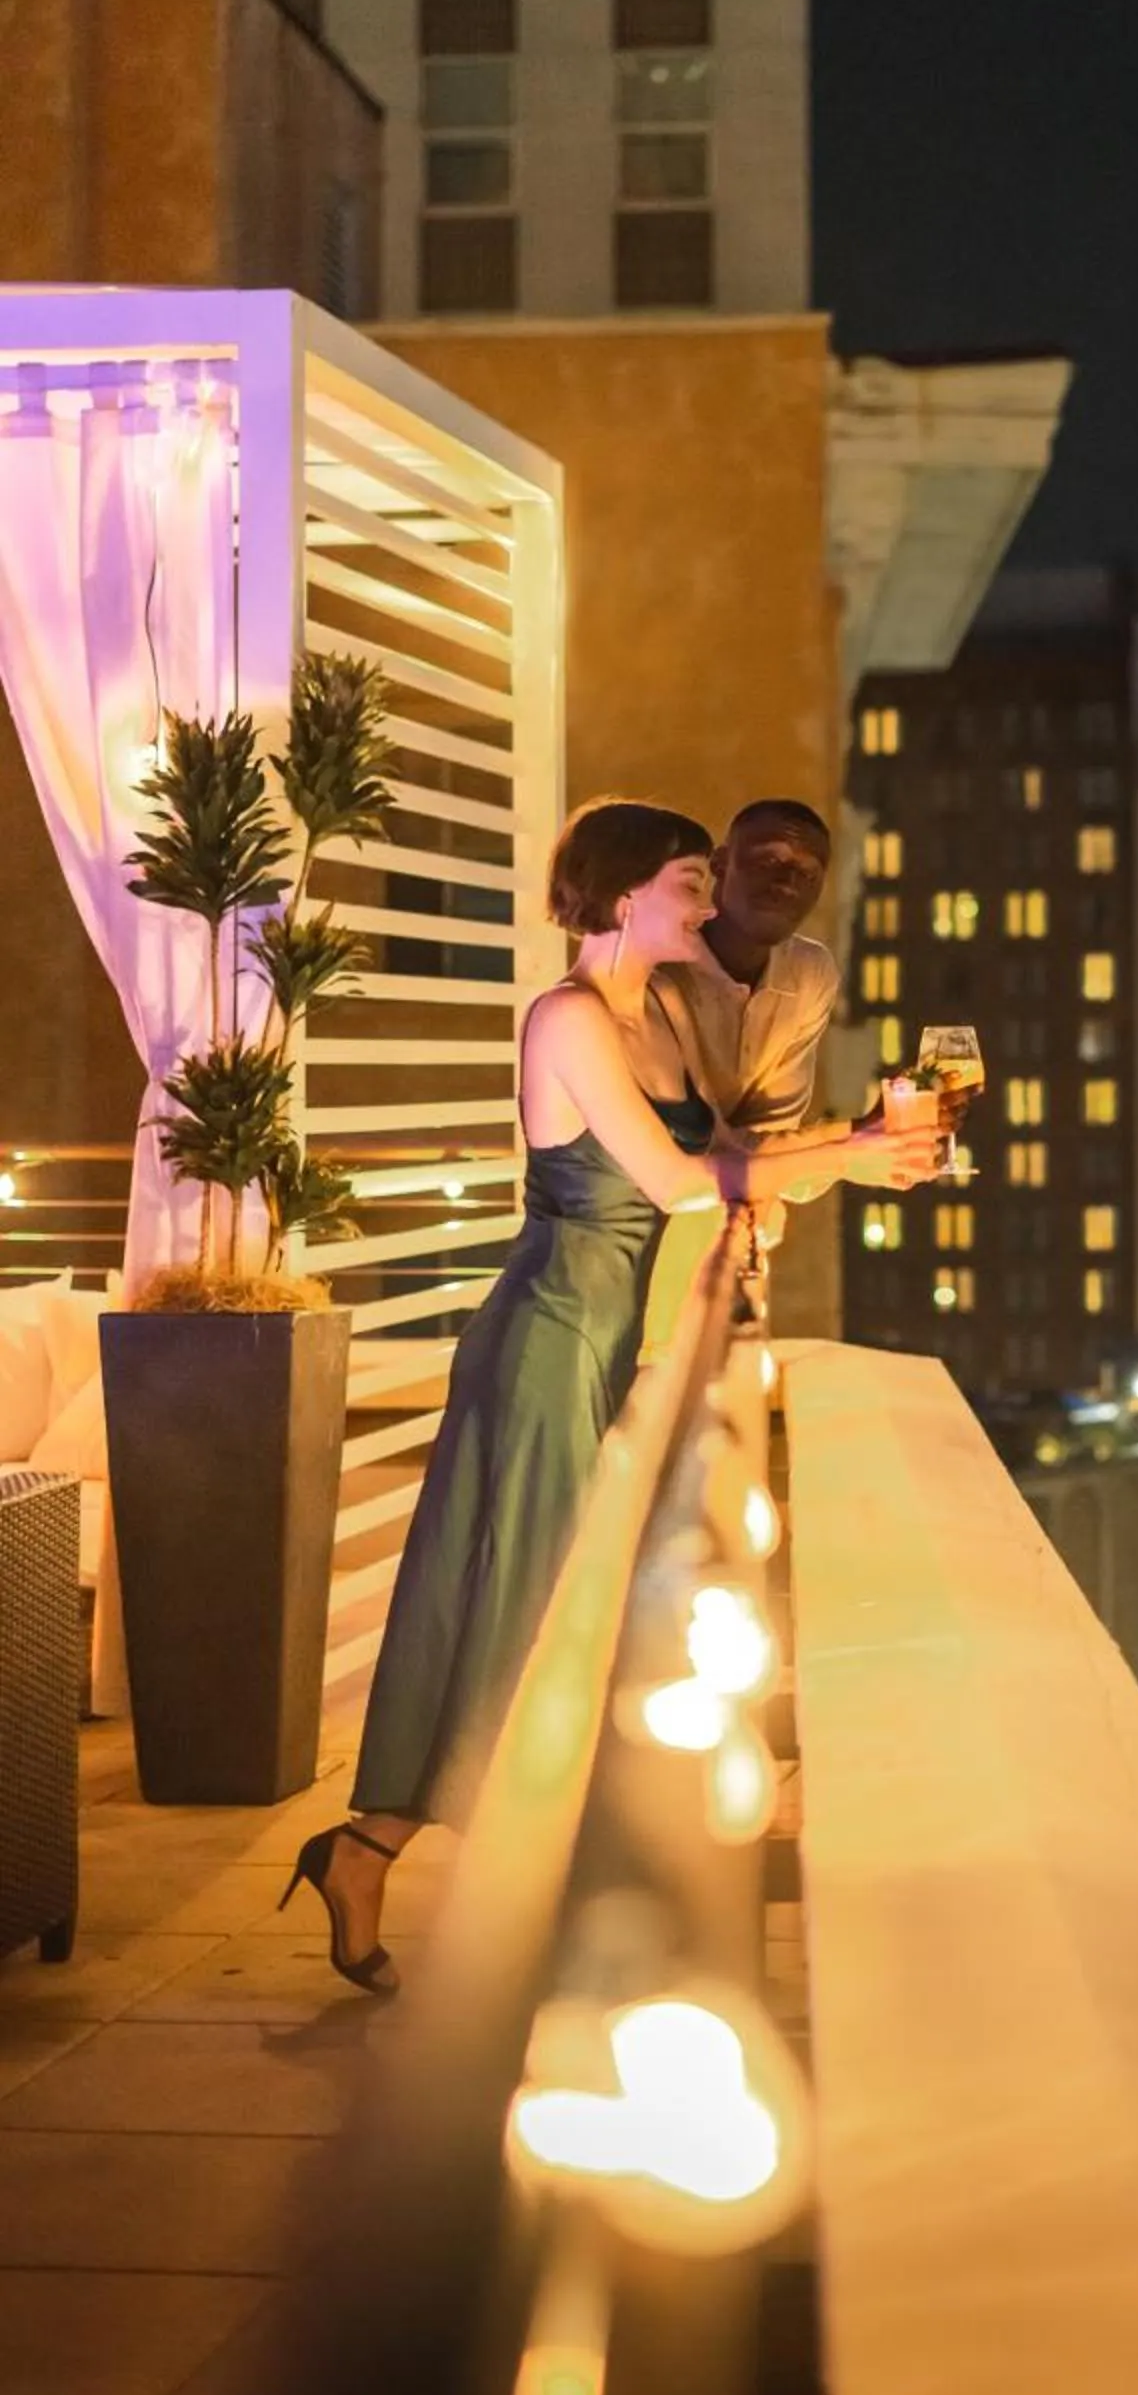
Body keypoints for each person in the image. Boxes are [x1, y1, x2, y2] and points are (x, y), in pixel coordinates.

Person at [281, 798, 934, 1997]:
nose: (709, 900)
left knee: (528, 1605)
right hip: (541, 1338)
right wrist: (850, 1154)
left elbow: (733, 1160)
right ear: (629, 895)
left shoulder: (653, 1023)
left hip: (602, 1339)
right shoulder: (568, 1021)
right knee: (527, 1605)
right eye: (692, 881)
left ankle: (369, 1850)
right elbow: (683, 1181)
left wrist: (859, 1140)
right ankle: (481, 1886)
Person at [641, 799, 844, 1355]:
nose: (786, 881)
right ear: (721, 864)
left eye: (806, 873)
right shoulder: (654, 970)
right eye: (769, 860)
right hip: (632, 1242)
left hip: (721, 1252)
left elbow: (769, 1132)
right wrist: (849, 1150)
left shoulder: (810, 972)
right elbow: (698, 1145)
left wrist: (862, 1137)